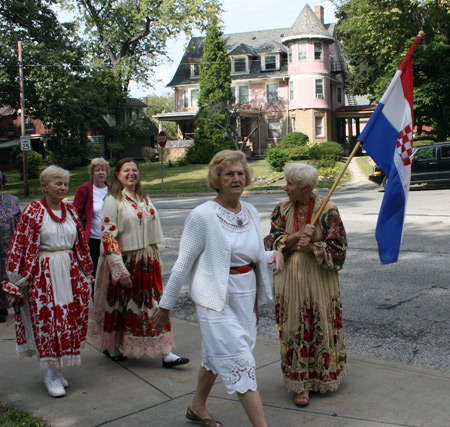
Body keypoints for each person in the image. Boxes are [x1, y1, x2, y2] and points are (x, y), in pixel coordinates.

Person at [154, 150, 284, 427]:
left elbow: (252, 253)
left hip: (245, 297)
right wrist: (165, 308)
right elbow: (182, 265)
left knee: (217, 355)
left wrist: (274, 254)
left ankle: (196, 406)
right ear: (217, 178)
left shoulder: (249, 210)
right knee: (240, 362)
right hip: (216, 300)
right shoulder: (202, 216)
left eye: (240, 173)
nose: (236, 178)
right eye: (229, 174)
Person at [2, 165, 93, 398]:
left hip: (69, 270)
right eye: (57, 183)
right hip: (43, 275)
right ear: (44, 186)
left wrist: (85, 273)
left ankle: (57, 369)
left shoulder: (71, 211)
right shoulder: (33, 211)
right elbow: (19, 246)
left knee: (66, 320)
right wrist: (15, 281)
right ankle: (50, 373)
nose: (62, 187)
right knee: (49, 322)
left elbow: (80, 244)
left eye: (65, 183)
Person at [88, 158, 188, 367]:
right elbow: (108, 235)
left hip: (146, 261)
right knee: (119, 307)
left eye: (135, 170)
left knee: (154, 304)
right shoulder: (112, 200)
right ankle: (114, 346)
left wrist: (155, 255)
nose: (131, 173)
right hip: (125, 261)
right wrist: (117, 267)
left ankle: (166, 352)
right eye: (126, 170)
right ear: (117, 175)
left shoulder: (144, 197)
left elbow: (150, 229)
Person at [264, 163, 348, 408]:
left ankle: (324, 376)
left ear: (306, 188)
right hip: (290, 279)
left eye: (290, 184)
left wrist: (312, 245)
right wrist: (293, 236)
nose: (285, 187)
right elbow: (270, 241)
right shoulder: (281, 208)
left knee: (320, 322)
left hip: (320, 279)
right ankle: (300, 384)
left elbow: (340, 251)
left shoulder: (328, 209)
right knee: (295, 326)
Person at [73, 157, 110, 281]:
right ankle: (94, 298)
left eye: (103, 170)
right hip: (92, 239)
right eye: (97, 170)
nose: (101, 173)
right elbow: (75, 214)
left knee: (108, 273)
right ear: (92, 173)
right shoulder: (85, 189)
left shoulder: (111, 190)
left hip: (109, 239)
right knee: (93, 273)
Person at [0, 171, 21, 323]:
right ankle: (1, 310)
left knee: (13, 277)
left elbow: (20, 221)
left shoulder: (12, 200)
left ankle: (17, 306)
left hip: (11, 247)